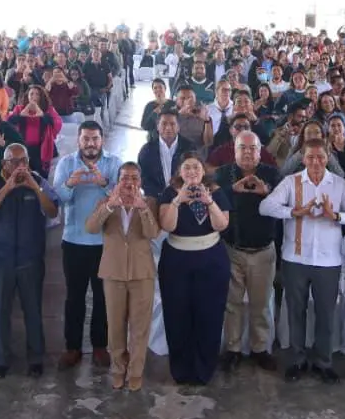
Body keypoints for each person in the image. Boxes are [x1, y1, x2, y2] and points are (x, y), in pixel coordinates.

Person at [260, 140, 345, 384]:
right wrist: (292, 212)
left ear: (328, 157)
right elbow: (265, 207)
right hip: (295, 259)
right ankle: (297, 360)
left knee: (326, 314)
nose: (316, 162)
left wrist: (337, 215)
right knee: (296, 313)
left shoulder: (338, 185)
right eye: (310, 157)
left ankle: (323, 362)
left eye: (320, 157)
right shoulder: (292, 182)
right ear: (302, 158)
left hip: (328, 261)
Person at [0, 144, 59, 378]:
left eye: (23, 160)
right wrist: (7, 188)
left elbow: (52, 211)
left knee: (33, 310)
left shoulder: (38, 181)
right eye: (14, 162)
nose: (20, 166)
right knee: (0, 310)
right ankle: (1, 359)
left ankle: (35, 359)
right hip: (0, 260)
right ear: (4, 164)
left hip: (30, 258)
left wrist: (34, 187)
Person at [51, 120, 121, 371]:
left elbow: (122, 197)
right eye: (86, 139)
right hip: (74, 240)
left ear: (102, 140)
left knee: (103, 297)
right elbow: (59, 198)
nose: (90, 144)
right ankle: (73, 347)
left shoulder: (114, 163)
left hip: (104, 241)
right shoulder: (67, 164)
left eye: (95, 139)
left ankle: (100, 346)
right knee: (74, 297)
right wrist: (71, 183)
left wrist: (104, 183)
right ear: (78, 141)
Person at [83, 162, 159, 391]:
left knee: (140, 326)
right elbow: (91, 228)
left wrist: (142, 208)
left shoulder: (150, 203)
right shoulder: (106, 202)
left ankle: (135, 371)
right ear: (118, 181)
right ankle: (118, 368)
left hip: (141, 273)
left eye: (134, 178)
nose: (129, 182)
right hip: (113, 272)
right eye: (125, 177)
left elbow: (153, 233)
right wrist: (109, 207)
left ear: (141, 182)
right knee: (115, 325)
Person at [158, 153, 231, 385]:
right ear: (180, 171)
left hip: (211, 259)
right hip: (176, 261)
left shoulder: (216, 191)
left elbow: (222, 224)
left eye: (195, 167)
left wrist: (209, 201)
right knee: (177, 314)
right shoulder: (169, 193)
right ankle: (181, 369)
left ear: (203, 170)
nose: (191, 172)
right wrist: (178, 200)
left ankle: (204, 369)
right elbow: (167, 225)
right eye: (186, 167)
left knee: (209, 314)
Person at [216, 130, 280, 373]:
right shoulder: (224, 174)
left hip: (264, 251)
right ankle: (232, 348)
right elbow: (216, 199)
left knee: (260, 304)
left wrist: (267, 192)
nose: (247, 153)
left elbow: (282, 203)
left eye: (252, 148)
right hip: (232, 249)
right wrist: (233, 189)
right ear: (235, 151)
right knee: (232, 303)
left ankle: (259, 348)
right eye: (242, 148)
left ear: (260, 150)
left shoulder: (271, 173)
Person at [138, 108, 192, 199]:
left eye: (172, 124)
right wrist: (158, 194)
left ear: (179, 127)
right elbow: (143, 178)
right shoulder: (147, 150)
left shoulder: (189, 148)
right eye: (164, 124)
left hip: (183, 194)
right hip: (156, 196)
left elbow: (193, 173)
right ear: (157, 127)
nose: (168, 128)